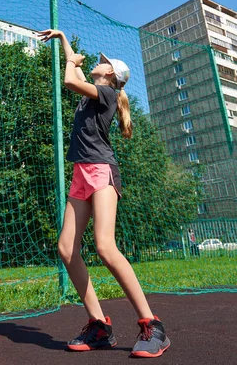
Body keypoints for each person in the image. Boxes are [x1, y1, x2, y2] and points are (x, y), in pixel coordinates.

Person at [37, 29, 170, 358]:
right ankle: (99, 325)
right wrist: (64, 38)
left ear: (110, 74)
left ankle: (153, 325)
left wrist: (71, 61)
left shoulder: (108, 95)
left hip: (101, 171)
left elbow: (69, 79)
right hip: (81, 171)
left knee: (104, 246)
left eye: (103, 63)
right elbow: (77, 74)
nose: (98, 63)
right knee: (67, 248)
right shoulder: (93, 92)